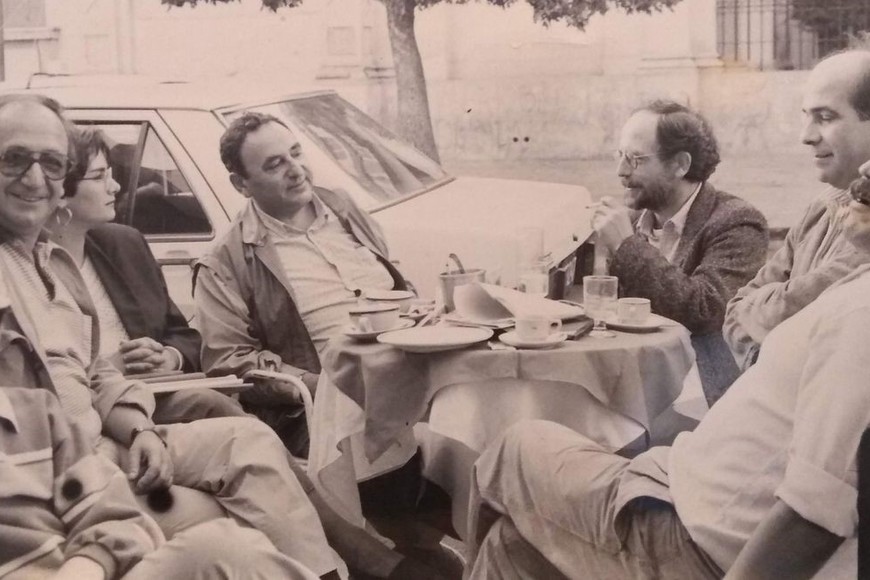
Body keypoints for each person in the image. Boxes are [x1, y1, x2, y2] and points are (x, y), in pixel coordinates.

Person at [0, 93, 345, 579]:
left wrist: (137, 428)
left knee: (247, 440)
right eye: (14, 159)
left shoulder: (51, 262)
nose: (34, 178)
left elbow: (95, 371)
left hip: (108, 440)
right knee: (231, 535)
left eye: (51, 163)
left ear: (62, 180)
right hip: (62, 472)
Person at [194, 111, 410, 451]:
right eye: (274, 165)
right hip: (328, 410)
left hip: (411, 372)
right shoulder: (225, 260)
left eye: (296, 153)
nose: (296, 170)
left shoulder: (342, 206)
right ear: (241, 185)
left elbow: (398, 286)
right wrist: (321, 387)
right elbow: (230, 361)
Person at [0, 385, 318, 580]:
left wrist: (86, 567)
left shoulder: (35, 416)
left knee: (226, 546)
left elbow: (115, 519)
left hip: (82, 565)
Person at [44, 125, 246, 425]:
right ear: (62, 191)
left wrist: (167, 357)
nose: (115, 187)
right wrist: (110, 367)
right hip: (87, 410)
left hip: (158, 393)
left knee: (233, 421)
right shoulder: (29, 263)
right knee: (220, 414)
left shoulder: (125, 244)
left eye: (110, 174)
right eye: (99, 177)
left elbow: (182, 335)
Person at [591, 100, 768, 405]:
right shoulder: (633, 220)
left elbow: (707, 310)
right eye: (619, 156)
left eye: (635, 159)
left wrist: (626, 246)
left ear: (680, 165)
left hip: (701, 394)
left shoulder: (737, 221)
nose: (620, 171)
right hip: (634, 379)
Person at [724, 49, 870, 372]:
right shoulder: (820, 209)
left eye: (825, 117)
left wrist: (767, 328)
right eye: (806, 116)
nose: (806, 136)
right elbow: (734, 311)